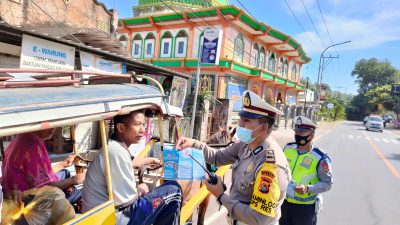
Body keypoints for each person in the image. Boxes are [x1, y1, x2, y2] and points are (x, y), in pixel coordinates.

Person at [176, 90, 291, 225]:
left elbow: (258, 218)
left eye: (246, 120)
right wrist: (193, 143)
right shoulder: (245, 144)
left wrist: (220, 195)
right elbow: (218, 157)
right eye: (241, 118)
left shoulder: (271, 165)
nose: (240, 124)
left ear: (263, 128)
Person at [81, 110, 182, 225]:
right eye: (137, 124)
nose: (143, 130)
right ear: (121, 128)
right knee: (174, 190)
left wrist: (146, 161)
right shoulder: (117, 152)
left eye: (144, 124)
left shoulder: (114, 147)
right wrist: (140, 190)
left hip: (103, 215)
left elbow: (129, 162)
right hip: (115, 218)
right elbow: (128, 203)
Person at [1, 129, 85, 205]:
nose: (53, 129)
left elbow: (41, 174)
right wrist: (74, 179)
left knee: (66, 172)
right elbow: (44, 188)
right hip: (28, 200)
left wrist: (64, 164)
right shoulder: (34, 145)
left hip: (20, 188)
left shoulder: (22, 136)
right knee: (77, 192)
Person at [279, 116, 333, 225]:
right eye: (296, 131)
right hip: (283, 203)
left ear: (312, 134)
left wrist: (308, 188)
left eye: (302, 132)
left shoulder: (320, 157)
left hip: (304, 209)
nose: (298, 135)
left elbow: (327, 183)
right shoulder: (287, 149)